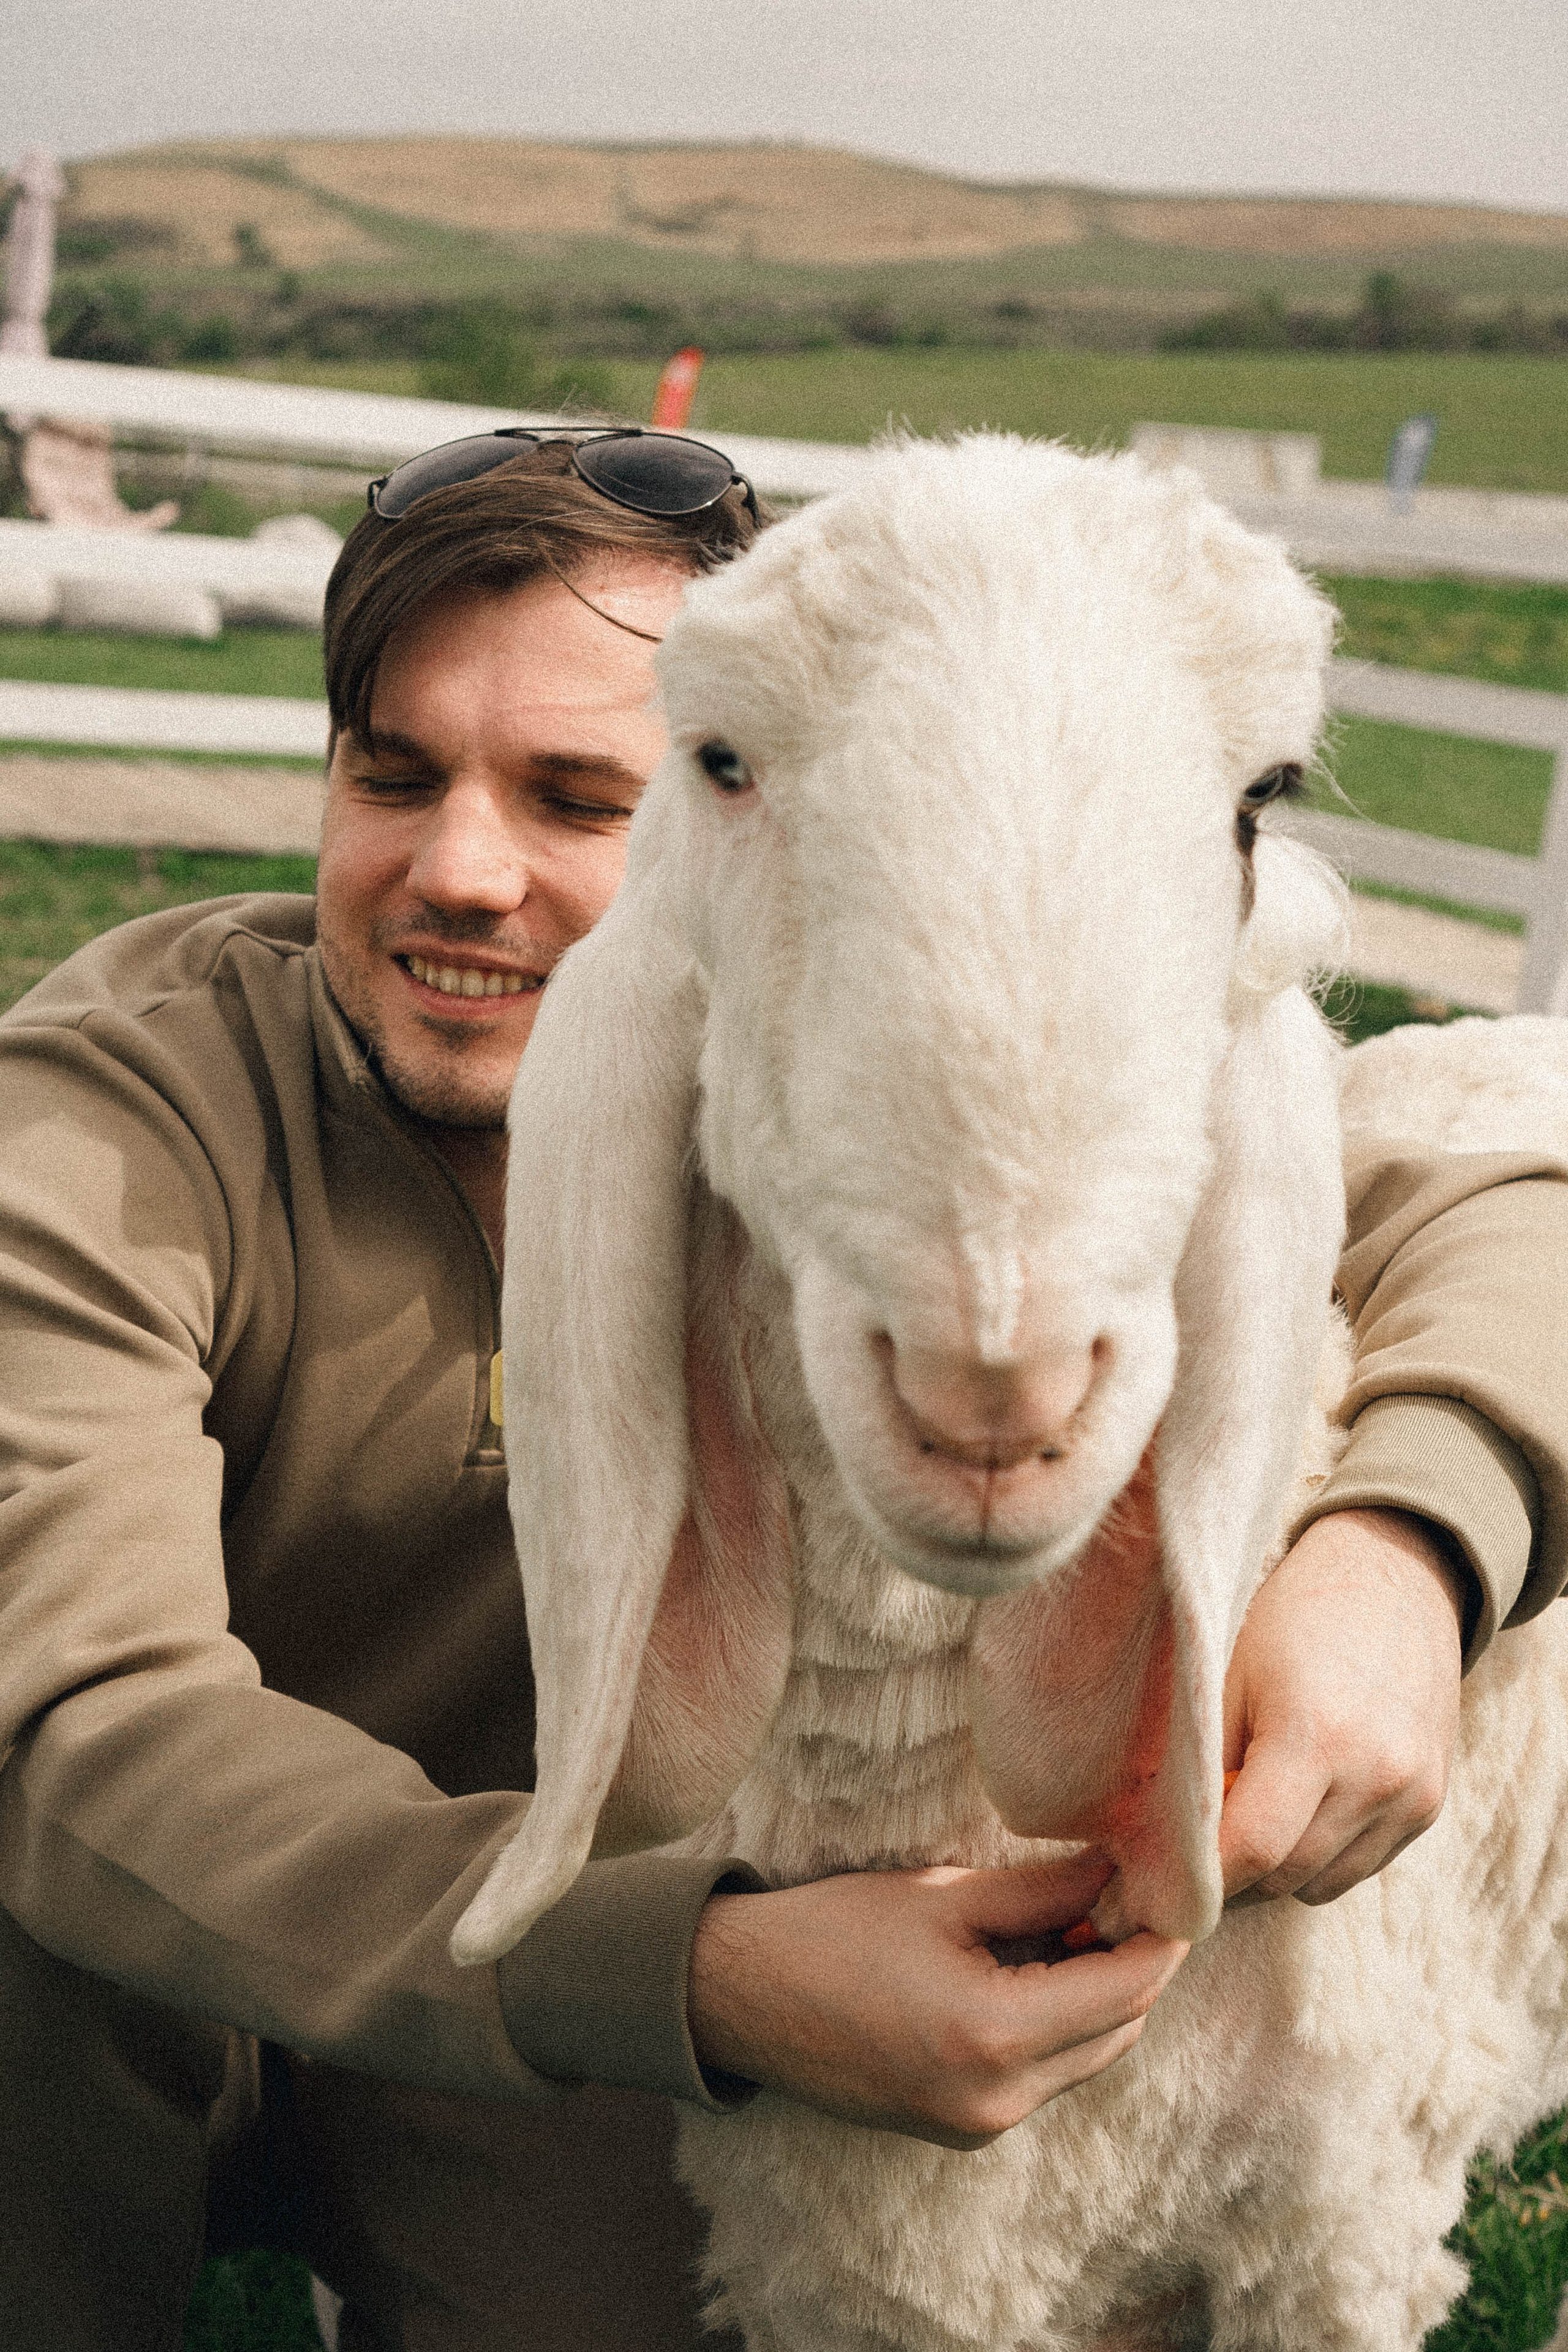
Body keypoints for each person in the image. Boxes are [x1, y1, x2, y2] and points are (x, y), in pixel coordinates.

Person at [1, 428, 1564, 2352]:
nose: (461, 872)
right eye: (394, 775)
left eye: (583, 797)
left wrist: (1414, 1545)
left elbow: (1499, 1206)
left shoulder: (896, 1068)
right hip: (345, 1948)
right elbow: (85, 1724)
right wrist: (704, 1981)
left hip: (610, 1983)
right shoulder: (119, 1125)